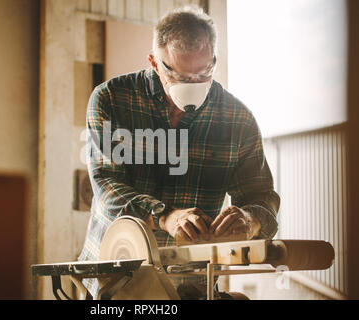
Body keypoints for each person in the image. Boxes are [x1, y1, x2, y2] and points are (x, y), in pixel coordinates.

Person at [78, 6, 280, 300]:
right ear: (154, 62)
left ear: (214, 60)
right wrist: (165, 216)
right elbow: (107, 185)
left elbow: (262, 196)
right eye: (181, 77)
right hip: (117, 275)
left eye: (203, 73)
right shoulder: (111, 98)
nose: (194, 86)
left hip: (192, 283)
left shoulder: (238, 119)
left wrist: (251, 219)